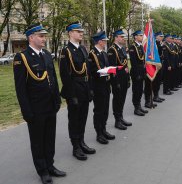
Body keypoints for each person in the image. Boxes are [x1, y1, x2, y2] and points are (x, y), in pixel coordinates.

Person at [13, 24, 66, 184]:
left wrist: (57, 99)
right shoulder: (22, 58)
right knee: (38, 141)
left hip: (50, 105)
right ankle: (42, 171)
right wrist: (26, 111)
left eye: (45, 36)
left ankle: (50, 165)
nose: (44, 39)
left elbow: (53, 80)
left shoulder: (47, 55)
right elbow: (20, 88)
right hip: (36, 108)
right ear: (31, 38)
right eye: (41, 36)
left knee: (50, 138)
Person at [59, 22, 95, 161]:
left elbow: (89, 71)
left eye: (82, 31)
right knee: (74, 119)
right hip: (74, 88)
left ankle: (82, 141)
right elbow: (65, 76)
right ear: (70, 33)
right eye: (78, 31)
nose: (81, 33)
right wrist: (71, 95)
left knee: (83, 117)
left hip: (84, 87)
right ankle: (76, 146)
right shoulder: (65, 51)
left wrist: (90, 88)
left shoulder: (83, 49)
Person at [89, 31, 115, 144]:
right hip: (98, 87)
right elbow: (94, 72)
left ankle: (103, 129)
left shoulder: (103, 53)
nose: (105, 43)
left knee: (105, 109)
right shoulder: (92, 54)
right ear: (99, 41)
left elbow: (107, 67)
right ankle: (99, 133)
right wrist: (109, 71)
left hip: (105, 85)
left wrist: (111, 70)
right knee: (99, 110)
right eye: (104, 41)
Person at [107, 29, 132, 130]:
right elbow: (112, 68)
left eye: (124, 37)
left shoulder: (121, 49)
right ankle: (117, 120)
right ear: (116, 38)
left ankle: (121, 117)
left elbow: (125, 65)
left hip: (124, 78)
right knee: (117, 99)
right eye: (121, 37)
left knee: (122, 99)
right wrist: (115, 82)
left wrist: (128, 78)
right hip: (117, 79)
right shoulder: (112, 50)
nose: (123, 39)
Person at [128, 30, 148, 116]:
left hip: (141, 71)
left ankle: (139, 106)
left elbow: (142, 60)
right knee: (136, 90)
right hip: (136, 72)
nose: (142, 37)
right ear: (135, 37)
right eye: (140, 35)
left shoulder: (140, 46)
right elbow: (134, 62)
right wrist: (137, 74)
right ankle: (136, 108)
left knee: (140, 90)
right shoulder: (133, 47)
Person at [152, 31, 165, 102]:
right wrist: (160, 46)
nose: (162, 38)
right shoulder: (155, 44)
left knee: (159, 81)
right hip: (155, 65)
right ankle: (155, 96)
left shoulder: (160, 43)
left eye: (162, 36)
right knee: (155, 81)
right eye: (160, 36)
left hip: (160, 64)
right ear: (156, 36)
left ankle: (157, 95)